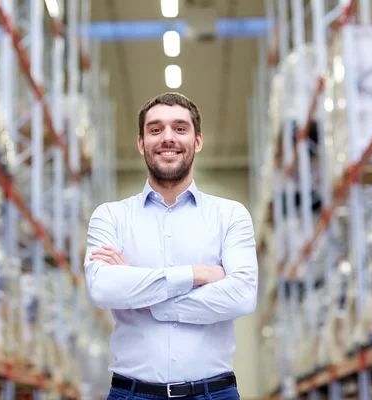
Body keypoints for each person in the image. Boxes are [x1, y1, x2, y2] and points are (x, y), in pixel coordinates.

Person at [84, 92, 258, 400]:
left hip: (213, 393)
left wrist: (145, 297)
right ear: (141, 143)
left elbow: (242, 296)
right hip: (132, 393)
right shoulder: (110, 216)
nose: (168, 138)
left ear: (198, 141)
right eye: (155, 129)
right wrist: (197, 274)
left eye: (180, 128)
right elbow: (103, 289)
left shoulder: (230, 215)